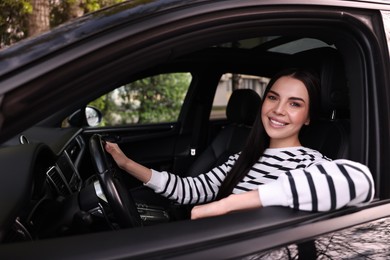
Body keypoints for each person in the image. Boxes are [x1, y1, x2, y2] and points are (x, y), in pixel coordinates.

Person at [105, 68, 374, 220]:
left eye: (295, 104)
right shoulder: (244, 157)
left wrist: (227, 205)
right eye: (272, 98)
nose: (278, 110)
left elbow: (361, 181)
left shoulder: (310, 163)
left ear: (308, 118)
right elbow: (190, 191)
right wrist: (126, 163)